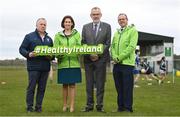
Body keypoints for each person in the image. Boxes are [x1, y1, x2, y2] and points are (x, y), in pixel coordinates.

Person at [19, 18, 53, 113]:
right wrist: (29, 54)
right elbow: (22, 49)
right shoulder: (29, 36)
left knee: (42, 89)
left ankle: (39, 107)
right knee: (31, 88)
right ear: (37, 25)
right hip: (33, 67)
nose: (43, 26)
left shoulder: (49, 39)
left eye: (44, 24)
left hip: (45, 68)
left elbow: (52, 54)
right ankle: (29, 107)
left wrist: (51, 56)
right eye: (41, 24)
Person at [81, 7, 111, 112]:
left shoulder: (107, 27)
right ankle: (89, 105)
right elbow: (83, 42)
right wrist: (90, 54)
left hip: (101, 59)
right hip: (88, 60)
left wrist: (98, 54)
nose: (96, 16)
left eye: (97, 14)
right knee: (89, 83)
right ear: (91, 15)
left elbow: (108, 43)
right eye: (94, 14)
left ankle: (99, 106)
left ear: (101, 15)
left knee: (100, 83)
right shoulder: (85, 27)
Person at [111, 13, 138, 112]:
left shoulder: (133, 31)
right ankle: (120, 107)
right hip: (117, 64)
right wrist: (114, 57)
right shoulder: (116, 33)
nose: (121, 21)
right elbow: (112, 47)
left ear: (127, 20)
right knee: (119, 87)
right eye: (119, 19)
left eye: (123, 19)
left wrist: (119, 58)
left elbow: (131, 47)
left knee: (127, 87)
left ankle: (128, 108)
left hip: (127, 64)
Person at [54, 15, 82, 112]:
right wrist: (60, 54)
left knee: (73, 85)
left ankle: (72, 106)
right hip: (63, 64)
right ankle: (64, 105)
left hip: (74, 63)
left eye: (69, 22)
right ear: (63, 23)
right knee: (65, 85)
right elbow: (55, 50)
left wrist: (75, 51)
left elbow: (79, 47)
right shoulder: (58, 35)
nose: (67, 23)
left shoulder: (77, 34)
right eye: (66, 22)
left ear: (72, 23)